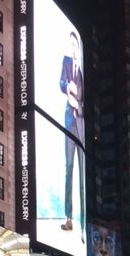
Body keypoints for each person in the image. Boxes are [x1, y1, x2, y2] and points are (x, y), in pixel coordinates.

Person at [59, 30, 85, 240]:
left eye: (74, 44)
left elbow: (86, 98)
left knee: (82, 173)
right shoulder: (66, 62)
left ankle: (83, 223)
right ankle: (68, 217)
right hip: (69, 122)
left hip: (81, 124)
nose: (72, 48)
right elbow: (61, 83)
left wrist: (78, 104)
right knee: (69, 168)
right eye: (70, 44)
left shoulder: (83, 71)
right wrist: (67, 86)